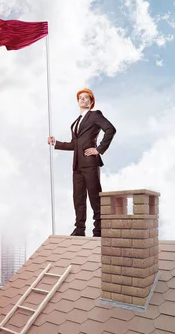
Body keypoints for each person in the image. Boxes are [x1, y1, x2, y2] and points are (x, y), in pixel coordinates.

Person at [47, 88, 116, 237]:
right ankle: (79, 229)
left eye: (86, 98)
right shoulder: (76, 122)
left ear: (91, 102)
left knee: (94, 197)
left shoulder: (94, 115)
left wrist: (99, 149)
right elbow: (74, 145)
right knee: (78, 198)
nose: (83, 99)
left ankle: (99, 230)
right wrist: (55, 143)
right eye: (80, 97)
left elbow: (110, 129)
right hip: (77, 165)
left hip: (90, 163)